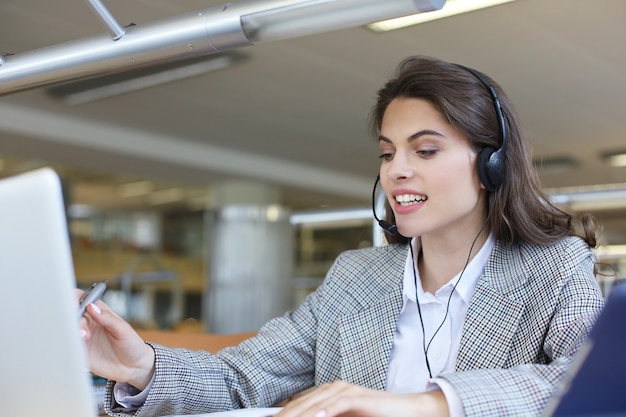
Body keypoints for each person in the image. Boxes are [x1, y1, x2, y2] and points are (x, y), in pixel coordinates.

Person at [80, 55, 605, 417]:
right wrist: (141, 366)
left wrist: (426, 404)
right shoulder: (355, 277)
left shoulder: (556, 266)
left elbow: (587, 389)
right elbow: (241, 378)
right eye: (386, 152)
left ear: (490, 164)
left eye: (424, 150)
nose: (396, 170)